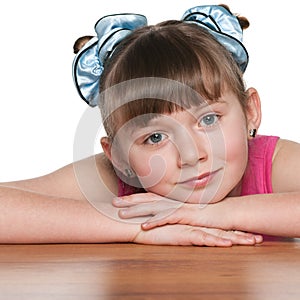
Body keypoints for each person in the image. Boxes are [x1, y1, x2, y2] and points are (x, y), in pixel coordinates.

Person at [0, 4, 299, 246]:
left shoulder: (271, 163)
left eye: (208, 119)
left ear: (250, 111)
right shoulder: (118, 181)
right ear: (117, 155)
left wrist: (212, 214)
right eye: (155, 137)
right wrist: (132, 226)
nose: (192, 155)